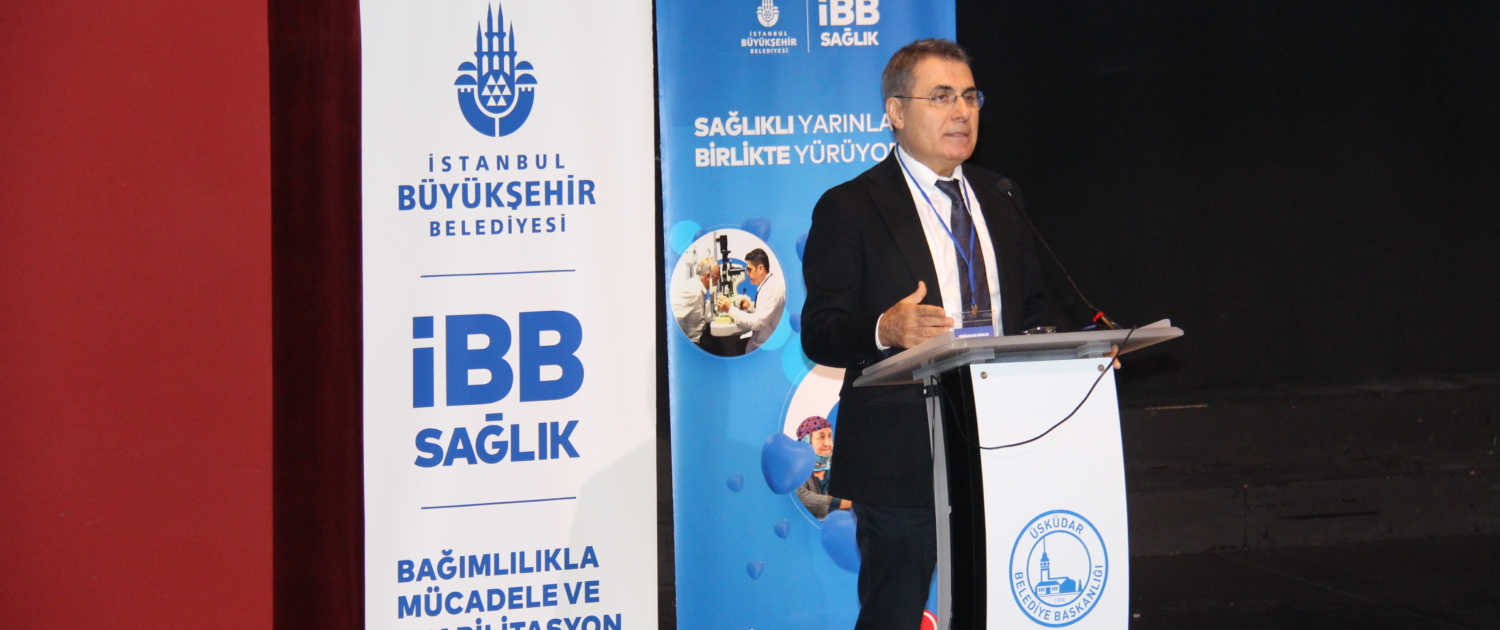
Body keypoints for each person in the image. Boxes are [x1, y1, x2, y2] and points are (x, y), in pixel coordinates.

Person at [800, 39, 1060, 629]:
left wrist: (1073, 357)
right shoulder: (850, 207)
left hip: (1003, 441)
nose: (961, 112)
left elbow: (1033, 309)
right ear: (895, 112)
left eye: (970, 96)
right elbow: (820, 331)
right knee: (894, 614)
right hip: (900, 452)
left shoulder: (1001, 196)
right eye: (941, 97)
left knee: (997, 607)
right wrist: (883, 328)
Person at [716, 248, 785, 353]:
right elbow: (767, 309)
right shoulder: (768, 285)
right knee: (732, 345)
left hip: (765, 348)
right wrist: (750, 306)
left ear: (760, 269)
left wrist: (730, 309)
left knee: (728, 348)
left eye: (749, 269)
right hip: (761, 341)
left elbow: (757, 323)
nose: (747, 274)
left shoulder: (771, 288)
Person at [792, 415, 852, 519]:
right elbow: (804, 499)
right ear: (806, 442)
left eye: (830, 437)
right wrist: (843, 503)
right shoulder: (796, 471)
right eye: (821, 437)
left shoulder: (839, 469)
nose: (827, 443)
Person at [671, 257, 717, 344]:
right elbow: (672, 319)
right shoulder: (692, 291)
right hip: (693, 341)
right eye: (717, 274)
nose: (719, 277)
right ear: (708, 276)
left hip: (701, 334)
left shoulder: (696, 286)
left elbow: (696, 307)